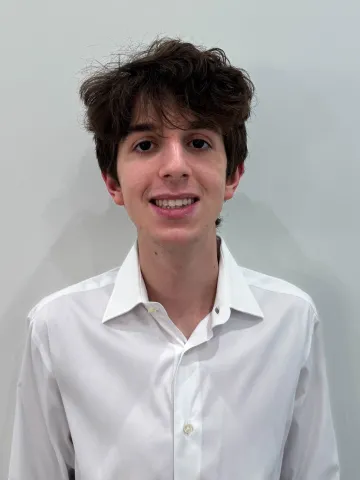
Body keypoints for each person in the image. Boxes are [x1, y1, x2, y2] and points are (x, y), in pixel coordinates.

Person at [8, 37, 340, 479]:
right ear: (113, 182)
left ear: (232, 175)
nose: (175, 166)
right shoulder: (58, 329)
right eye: (146, 145)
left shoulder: (290, 321)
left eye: (199, 142)